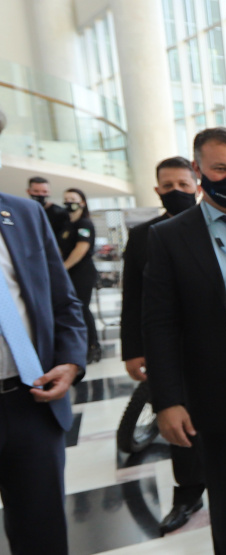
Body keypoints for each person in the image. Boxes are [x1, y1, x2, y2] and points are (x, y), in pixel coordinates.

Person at [143, 128, 226, 555]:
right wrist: (167, 400)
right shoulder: (170, 237)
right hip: (214, 391)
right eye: (221, 168)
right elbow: (160, 325)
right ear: (199, 170)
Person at [0, 108, 88, 555]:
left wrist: (71, 361)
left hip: (30, 401)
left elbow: (63, 300)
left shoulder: (24, 214)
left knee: (42, 535)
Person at [120, 155, 206, 535]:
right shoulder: (144, 237)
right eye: (168, 187)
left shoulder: (217, 226)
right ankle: (188, 493)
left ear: (196, 185)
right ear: (157, 189)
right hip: (168, 347)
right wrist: (132, 349)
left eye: (183, 186)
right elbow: (133, 296)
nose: (176, 192)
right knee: (179, 421)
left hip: (220, 343)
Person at [60, 187, 101, 364]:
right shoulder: (66, 225)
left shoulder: (85, 224)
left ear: (82, 203)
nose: (69, 202)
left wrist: (63, 267)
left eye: (73, 199)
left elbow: (81, 248)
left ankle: (93, 346)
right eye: (66, 199)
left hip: (82, 273)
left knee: (82, 308)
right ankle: (79, 346)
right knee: (74, 309)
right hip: (69, 273)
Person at [26, 176, 68, 243]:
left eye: (44, 191)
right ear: (28, 191)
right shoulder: (23, 210)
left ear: (49, 192)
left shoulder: (60, 213)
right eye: (36, 191)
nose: (40, 194)